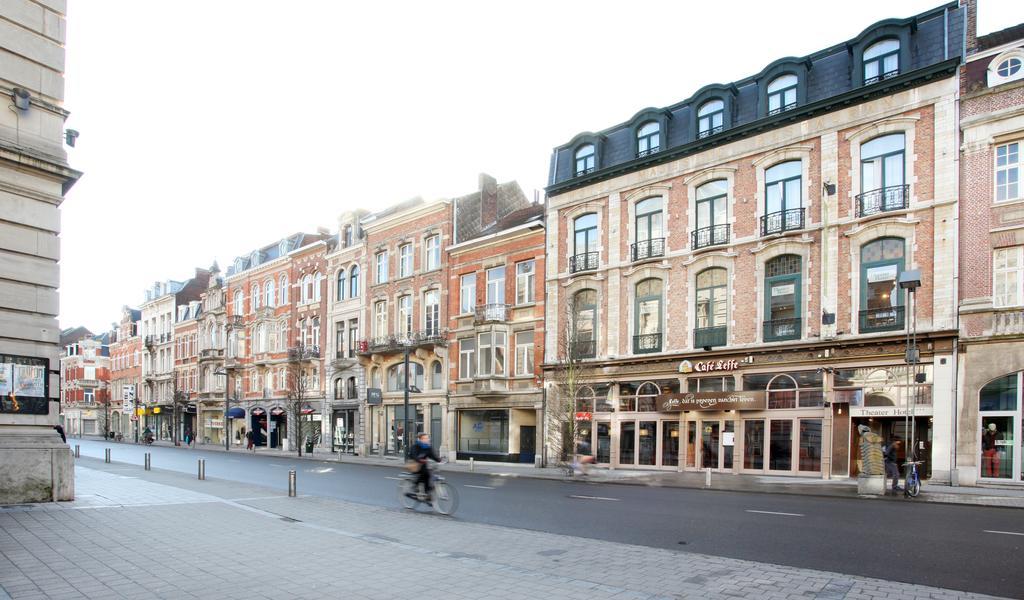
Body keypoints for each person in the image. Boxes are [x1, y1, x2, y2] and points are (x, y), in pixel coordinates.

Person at [407, 432, 441, 500]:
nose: (427, 439)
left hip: (423, 465)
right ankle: (414, 488)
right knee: (424, 474)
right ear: (420, 439)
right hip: (414, 465)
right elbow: (414, 455)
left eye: (427, 438)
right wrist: (419, 460)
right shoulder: (415, 446)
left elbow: (432, 455)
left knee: (428, 474)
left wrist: (439, 459)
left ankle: (426, 494)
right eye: (425, 438)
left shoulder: (428, 447)